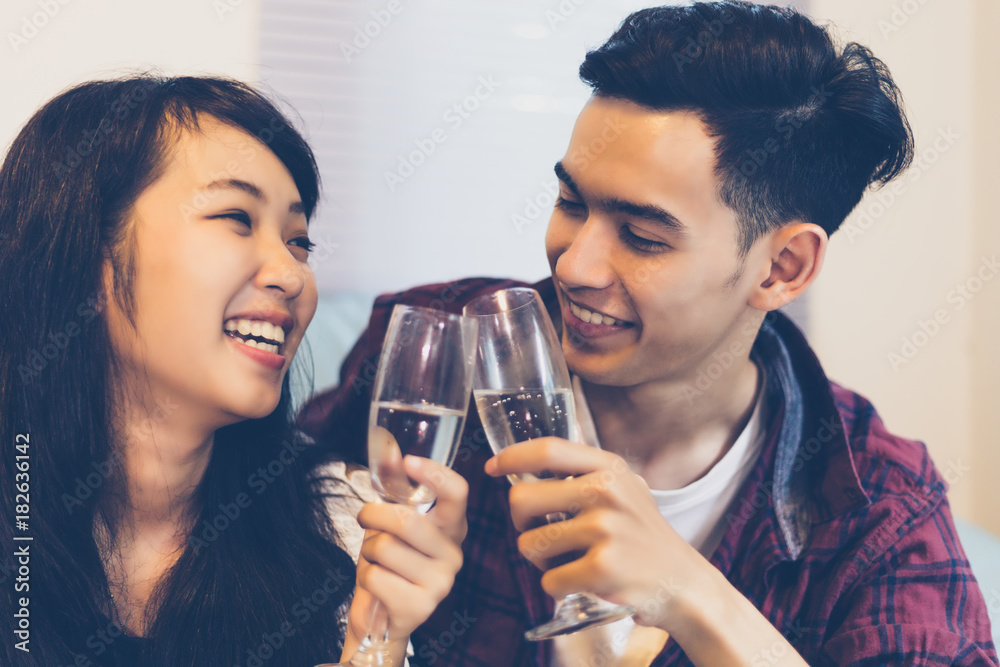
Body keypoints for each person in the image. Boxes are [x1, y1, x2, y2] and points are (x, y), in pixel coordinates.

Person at [299, 2, 998, 665]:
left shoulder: (876, 509)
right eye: (571, 202)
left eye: (641, 236)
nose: (573, 264)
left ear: (782, 267)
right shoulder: (442, 348)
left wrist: (693, 595)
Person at [0, 75, 467, 667]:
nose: (292, 275)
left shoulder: (341, 525)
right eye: (237, 219)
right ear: (86, 254)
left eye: (300, 242)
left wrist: (376, 639)